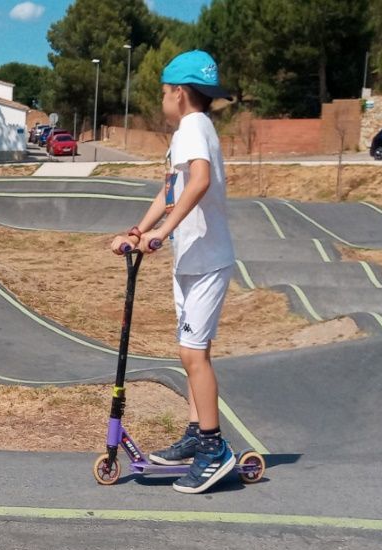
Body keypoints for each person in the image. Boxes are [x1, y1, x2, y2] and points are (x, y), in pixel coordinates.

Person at [110, 50, 236, 495]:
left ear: (179, 94)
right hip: (193, 260)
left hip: (207, 260)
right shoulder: (187, 133)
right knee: (189, 351)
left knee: (192, 354)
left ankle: (214, 449)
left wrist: (162, 232)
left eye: (164, 93)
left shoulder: (192, 128)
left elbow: (199, 181)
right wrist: (139, 229)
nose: (162, 101)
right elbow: (170, 192)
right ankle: (196, 432)